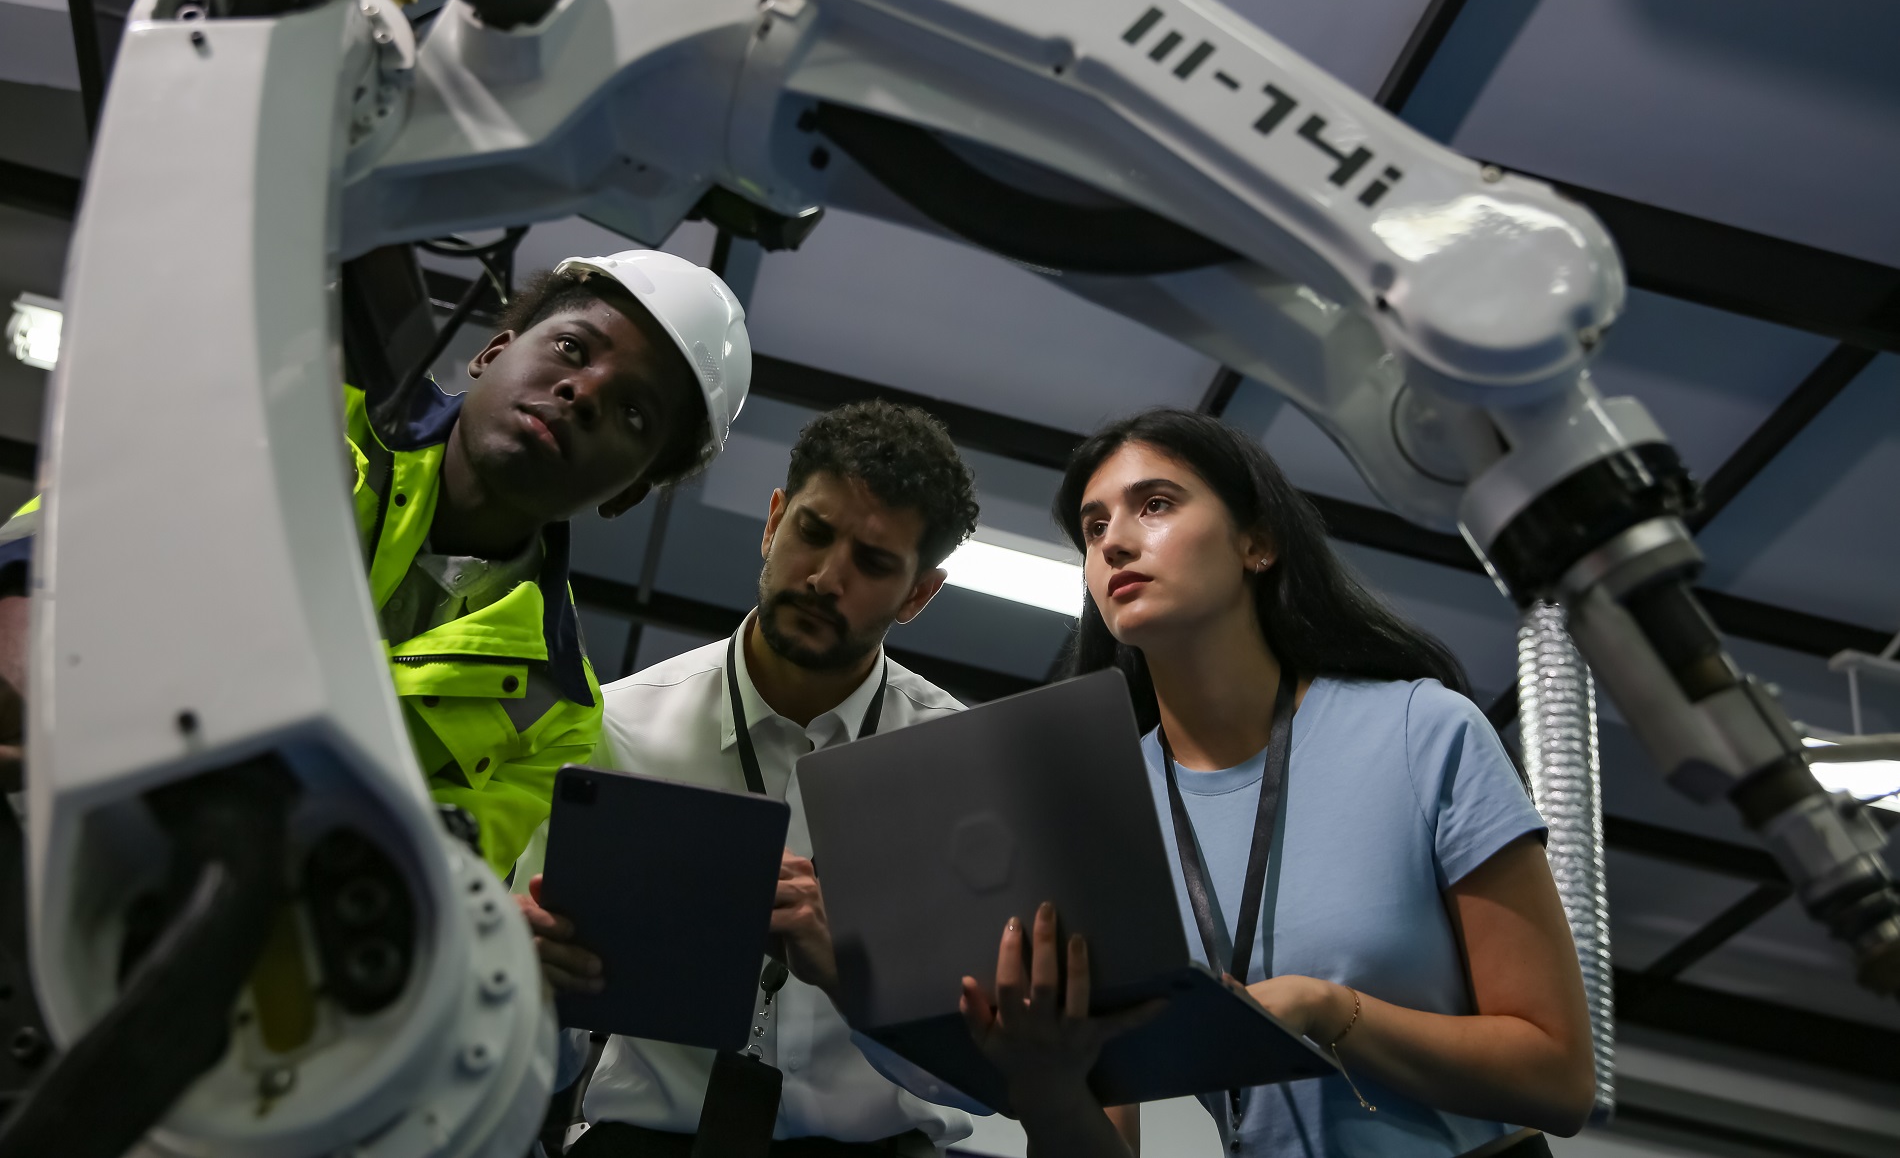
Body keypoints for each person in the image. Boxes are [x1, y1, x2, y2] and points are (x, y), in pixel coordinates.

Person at [959, 409, 1594, 1158]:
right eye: (1094, 529)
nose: (1114, 542)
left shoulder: (1423, 731)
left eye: (1155, 504)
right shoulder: (1102, 814)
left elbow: (1560, 1079)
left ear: (1257, 543)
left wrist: (1326, 1009)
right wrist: (1048, 1092)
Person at [0, 247, 748, 879]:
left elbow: (430, 886)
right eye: (572, 349)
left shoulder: (558, 715)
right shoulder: (300, 412)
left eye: (633, 413)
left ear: (629, 493)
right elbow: (79, 540)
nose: (582, 393)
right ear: (492, 351)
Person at [514, 399, 984, 1157]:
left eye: (873, 563)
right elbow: (546, 1049)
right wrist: (527, 984)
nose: (825, 578)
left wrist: (856, 976)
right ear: (772, 522)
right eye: (813, 532)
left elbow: (980, 1079)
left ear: (918, 594)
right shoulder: (617, 727)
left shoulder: (960, 766)